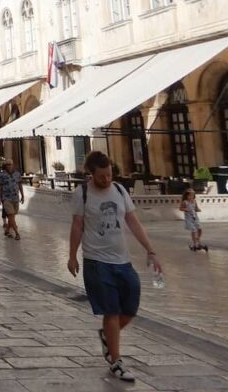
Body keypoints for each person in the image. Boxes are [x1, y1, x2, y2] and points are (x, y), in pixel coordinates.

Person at [68, 151, 162, 384]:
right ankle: (116, 362)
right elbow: (77, 226)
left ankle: (108, 337)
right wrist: (72, 256)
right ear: (92, 174)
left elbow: (133, 221)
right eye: (102, 176)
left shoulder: (120, 191)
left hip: (123, 260)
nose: (107, 180)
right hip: (97, 261)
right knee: (111, 311)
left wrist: (151, 250)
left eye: (109, 175)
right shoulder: (83, 193)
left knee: (130, 307)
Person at [0, 160, 25, 239]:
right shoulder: (1, 175)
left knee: (12, 216)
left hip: (15, 198)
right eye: (7, 164)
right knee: (11, 215)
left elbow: (20, 184)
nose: (9, 166)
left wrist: (22, 195)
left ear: (13, 165)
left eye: (10, 164)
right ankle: (17, 233)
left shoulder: (17, 174)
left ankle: (7, 230)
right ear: (5, 166)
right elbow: (0, 187)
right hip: (6, 198)